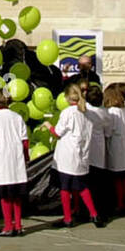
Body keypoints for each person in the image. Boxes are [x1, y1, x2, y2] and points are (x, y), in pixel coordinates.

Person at [48, 83, 103, 228]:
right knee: (83, 187)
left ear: (67, 97)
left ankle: (67, 217)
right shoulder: (89, 113)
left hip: (67, 155)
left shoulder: (68, 112)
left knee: (65, 188)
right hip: (82, 154)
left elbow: (57, 132)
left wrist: (48, 126)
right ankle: (93, 213)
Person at [0, 89, 29, 238]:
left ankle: (8, 225)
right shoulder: (17, 117)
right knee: (16, 195)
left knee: (5, 195)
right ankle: (18, 225)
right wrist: (26, 157)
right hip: (16, 158)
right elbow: (25, 140)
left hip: (2, 159)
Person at [102, 85, 125, 215]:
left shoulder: (113, 112)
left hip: (116, 148)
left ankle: (121, 203)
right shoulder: (124, 110)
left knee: (117, 179)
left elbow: (109, 131)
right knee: (124, 179)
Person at [83, 83, 112, 220]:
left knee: (86, 183)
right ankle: (101, 210)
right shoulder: (105, 113)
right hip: (99, 150)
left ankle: (85, 210)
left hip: (86, 150)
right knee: (98, 184)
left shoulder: (85, 111)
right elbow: (108, 132)